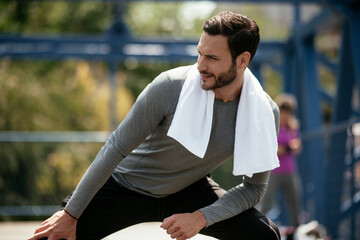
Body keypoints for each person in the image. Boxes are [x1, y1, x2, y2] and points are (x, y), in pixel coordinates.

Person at [28, 11, 281, 240]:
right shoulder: (170, 86)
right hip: (127, 184)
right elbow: (116, 147)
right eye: (200, 53)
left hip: (189, 190)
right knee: (55, 237)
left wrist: (201, 217)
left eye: (212, 58)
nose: (201, 66)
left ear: (242, 60)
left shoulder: (263, 112)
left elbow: (254, 188)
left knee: (264, 235)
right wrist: (70, 214)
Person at [260, 93, 302, 231]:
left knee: (295, 203)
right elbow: (271, 147)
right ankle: (259, 229)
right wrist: (283, 148)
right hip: (274, 172)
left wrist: (289, 147)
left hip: (290, 171)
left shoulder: (293, 127)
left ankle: (295, 233)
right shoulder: (272, 124)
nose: (285, 116)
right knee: (265, 202)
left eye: (288, 113)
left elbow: (297, 146)